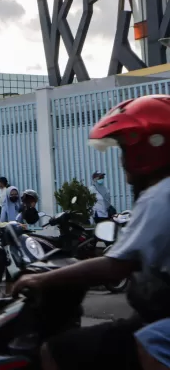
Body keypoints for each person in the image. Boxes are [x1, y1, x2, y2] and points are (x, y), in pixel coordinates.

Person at [13, 95, 170, 370]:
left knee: (57, 351)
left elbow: (115, 266)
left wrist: (42, 280)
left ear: (150, 148)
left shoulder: (160, 196)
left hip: (159, 319)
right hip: (156, 310)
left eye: (124, 151)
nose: (122, 161)